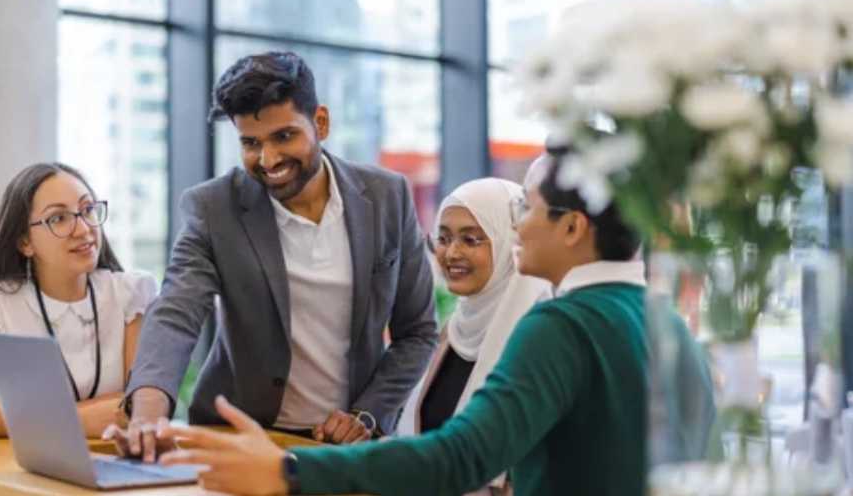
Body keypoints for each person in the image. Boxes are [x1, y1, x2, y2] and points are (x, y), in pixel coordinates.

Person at [149, 145, 714, 496]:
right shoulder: (670, 324)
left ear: (573, 228)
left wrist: (290, 472)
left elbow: (462, 458)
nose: (516, 225)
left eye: (530, 209)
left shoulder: (559, 326)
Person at [107, 51, 437, 457]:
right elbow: (176, 313)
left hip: (345, 447)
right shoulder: (214, 209)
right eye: (250, 143)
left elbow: (417, 333)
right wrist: (148, 415)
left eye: (283, 136)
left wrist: (366, 415)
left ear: (321, 123)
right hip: (241, 437)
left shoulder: (388, 197)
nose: (268, 160)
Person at [0, 163, 157, 438]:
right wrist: (77, 419)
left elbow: (141, 403)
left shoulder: (130, 295)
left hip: (114, 459)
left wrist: (23, 415)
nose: (83, 229)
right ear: (25, 242)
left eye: (87, 210)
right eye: (59, 218)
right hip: (18, 468)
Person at [396, 178, 551, 495]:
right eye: (443, 237)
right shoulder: (452, 333)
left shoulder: (540, 339)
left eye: (470, 239)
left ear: (509, 242)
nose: (451, 253)